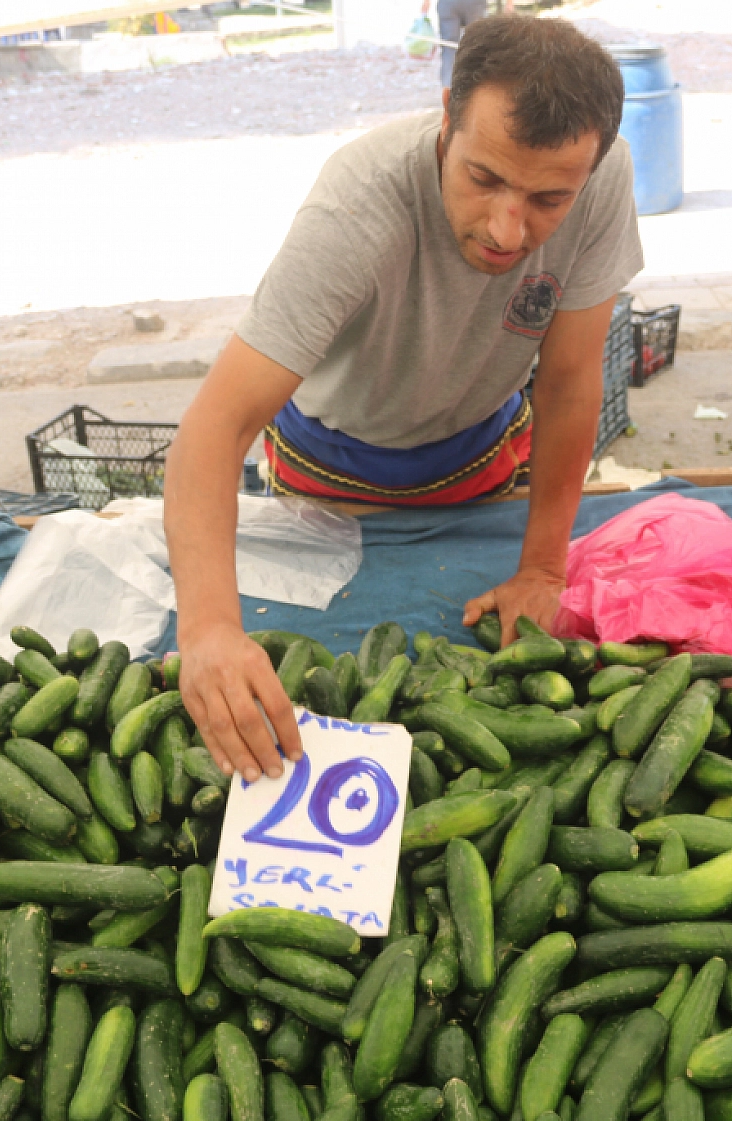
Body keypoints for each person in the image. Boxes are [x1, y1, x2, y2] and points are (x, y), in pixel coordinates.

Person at [163, 16, 641, 784]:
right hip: (329, 470)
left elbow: (569, 380)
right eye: (483, 177)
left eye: (549, 198)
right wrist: (211, 628)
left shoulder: (603, 175)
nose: (508, 228)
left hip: (481, 455)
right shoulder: (358, 207)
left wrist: (546, 566)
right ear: (448, 115)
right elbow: (215, 429)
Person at [420, 0, 512, 88]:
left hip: (449, 4)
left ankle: (448, 92)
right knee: (477, 47)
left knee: (449, 49)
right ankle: (474, 90)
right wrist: (509, 3)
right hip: (473, 4)